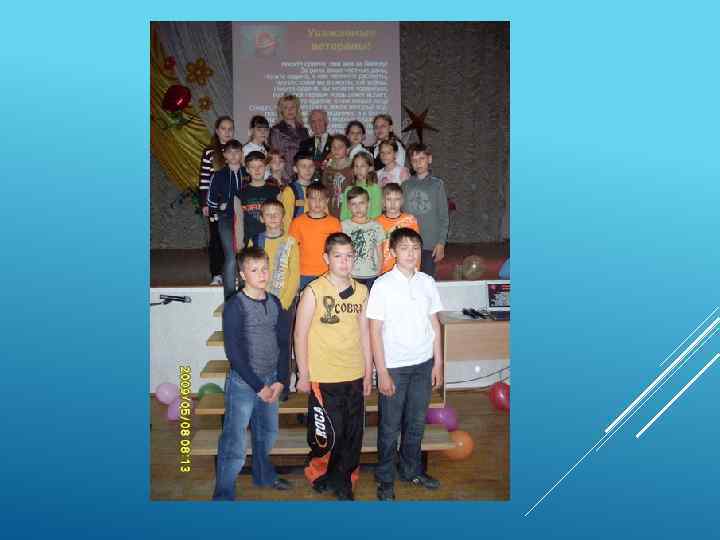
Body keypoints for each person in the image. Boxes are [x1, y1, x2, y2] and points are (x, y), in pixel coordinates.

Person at [366, 227, 444, 501]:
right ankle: (385, 478)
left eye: (415, 248)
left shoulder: (427, 282)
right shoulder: (382, 285)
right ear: (392, 252)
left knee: (416, 424)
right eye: (404, 248)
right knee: (389, 428)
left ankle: (411, 470)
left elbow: (435, 325)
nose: (411, 254)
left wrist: (438, 364)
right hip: (395, 368)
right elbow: (374, 331)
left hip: (423, 364)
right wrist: (382, 372)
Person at [293, 233, 373, 501]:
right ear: (326, 258)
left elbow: (365, 334)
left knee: (353, 433)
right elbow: (300, 334)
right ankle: (319, 473)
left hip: (354, 373)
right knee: (328, 434)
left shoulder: (362, 291)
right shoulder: (313, 290)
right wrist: (303, 373)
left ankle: (346, 480)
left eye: (349, 256)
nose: (344, 261)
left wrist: (369, 372)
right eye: (338, 256)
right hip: (323, 375)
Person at [212, 247, 292, 500]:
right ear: (243, 274)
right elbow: (234, 353)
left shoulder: (275, 302)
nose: (261, 274)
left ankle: (263, 475)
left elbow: (283, 344)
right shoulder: (235, 306)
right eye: (254, 270)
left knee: (267, 433)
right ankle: (224, 493)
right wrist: (259, 386)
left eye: (264, 269)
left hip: (271, 379)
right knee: (234, 441)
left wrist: (281, 380)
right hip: (244, 383)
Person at [249, 199, 300, 402]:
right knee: (260, 345)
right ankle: (260, 386)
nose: (272, 218)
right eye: (268, 214)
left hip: (283, 304)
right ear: (261, 218)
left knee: (282, 345)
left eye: (276, 214)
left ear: (283, 217)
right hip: (259, 303)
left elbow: (294, 275)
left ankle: (283, 388)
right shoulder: (256, 241)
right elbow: (250, 270)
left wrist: (283, 303)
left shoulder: (291, 242)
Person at [402, 144, 449, 278]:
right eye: (414, 160)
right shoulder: (405, 185)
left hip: (430, 244)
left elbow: (443, 216)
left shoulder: (437, 184)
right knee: (409, 279)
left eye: (422, 159)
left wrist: (441, 243)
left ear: (429, 159)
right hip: (409, 243)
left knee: (426, 280)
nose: (418, 163)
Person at [207, 139, 246, 300]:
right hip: (226, 219)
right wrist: (218, 209)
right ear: (224, 155)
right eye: (230, 152)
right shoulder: (218, 175)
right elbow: (211, 199)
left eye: (237, 152)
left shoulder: (247, 173)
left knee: (243, 256)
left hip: (244, 219)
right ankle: (229, 297)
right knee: (230, 256)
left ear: (242, 154)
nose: (234, 155)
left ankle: (245, 293)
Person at [199, 116, 234, 286]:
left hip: (233, 202)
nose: (227, 132)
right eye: (223, 129)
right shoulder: (209, 152)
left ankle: (232, 272)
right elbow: (204, 179)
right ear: (217, 131)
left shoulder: (237, 149)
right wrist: (204, 203)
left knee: (233, 238)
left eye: (230, 129)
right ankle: (216, 274)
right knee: (216, 239)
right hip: (215, 203)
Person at [288, 182, 341, 290]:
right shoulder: (297, 222)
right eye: (313, 199)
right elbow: (290, 250)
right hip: (304, 273)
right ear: (307, 200)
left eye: (321, 199)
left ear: (327, 200)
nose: (317, 202)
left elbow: (338, 250)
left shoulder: (334, 223)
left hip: (328, 272)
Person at [341, 186, 384, 290]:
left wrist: (379, 272)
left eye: (361, 203)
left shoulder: (376, 226)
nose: (358, 207)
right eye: (353, 204)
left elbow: (379, 252)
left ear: (368, 204)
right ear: (348, 206)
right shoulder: (343, 226)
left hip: (372, 275)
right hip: (351, 275)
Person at [239, 151, 280, 246]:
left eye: (260, 166)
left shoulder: (275, 191)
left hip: (272, 239)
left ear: (266, 167)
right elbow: (239, 221)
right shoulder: (241, 193)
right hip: (249, 240)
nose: (257, 170)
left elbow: (281, 216)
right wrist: (239, 242)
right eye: (253, 167)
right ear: (247, 169)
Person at [377, 183, 420, 274]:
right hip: (384, 271)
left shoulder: (410, 220)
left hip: (406, 269)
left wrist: (416, 269)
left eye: (397, 199)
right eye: (389, 199)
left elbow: (416, 247)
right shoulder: (376, 223)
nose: (392, 203)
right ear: (383, 201)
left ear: (402, 201)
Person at [269, 94, 309, 180]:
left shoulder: (304, 131)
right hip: (285, 175)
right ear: (281, 111)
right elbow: (276, 158)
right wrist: (286, 178)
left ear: (297, 109)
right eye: (286, 107)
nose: (290, 110)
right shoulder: (276, 131)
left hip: (304, 174)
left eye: (292, 107)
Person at [339, 152, 382, 220]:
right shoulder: (348, 189)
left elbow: (376, 214)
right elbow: (343, 215)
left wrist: (364, 224)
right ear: (353, 169)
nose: (359, 169)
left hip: (369, 225)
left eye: (362, 166)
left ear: (370, 168)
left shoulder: (375, 189)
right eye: (356, 166)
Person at [320, 134, 354, 218]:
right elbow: (324, 190)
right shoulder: (328, 168)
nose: (336, 150)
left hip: (348, 209)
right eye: (333, 147)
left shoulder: (353, 168)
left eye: (340, 147)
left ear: (347, 149)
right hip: (330, 208)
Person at [266, 149, 295, 232]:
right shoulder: (267, 184)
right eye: (274, 162)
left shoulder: (289, 183)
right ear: (268, 165)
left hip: (288, 218)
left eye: (280, 161)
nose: (278, 164)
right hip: (274, 220)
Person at [287, 151, 317, 220]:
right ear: (295, 169)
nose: (308, 170)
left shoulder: (318, 189)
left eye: (311, 166)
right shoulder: (290, 191)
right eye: (303, 166)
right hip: (297, 226)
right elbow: (286, 218)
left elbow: (325, 212)